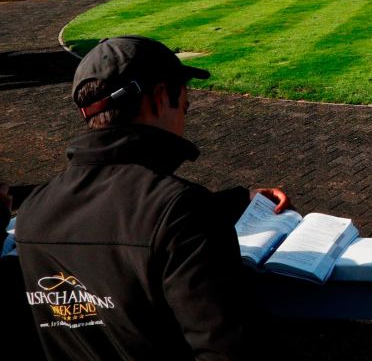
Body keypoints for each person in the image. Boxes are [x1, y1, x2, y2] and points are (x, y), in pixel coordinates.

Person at [16, 36, 292, 360]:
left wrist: (231, 202)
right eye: (185, 104)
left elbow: (119, 220)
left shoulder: (33, 211)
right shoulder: (184, 211)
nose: (185, 118)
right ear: (161, 97)